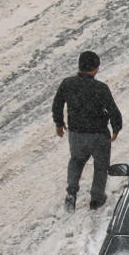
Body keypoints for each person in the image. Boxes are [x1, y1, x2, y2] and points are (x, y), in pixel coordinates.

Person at [52, 51, 123, 212]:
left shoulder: (67, 83)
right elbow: (112, 110)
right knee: (100, 166)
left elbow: (57, 103)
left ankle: (71, 192)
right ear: (95, 68)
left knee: (76, 161)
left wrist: (59, 123)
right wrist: (116, 128)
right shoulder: (101, 88)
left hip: (76, 133)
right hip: (98, 134)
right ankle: (96, 198)